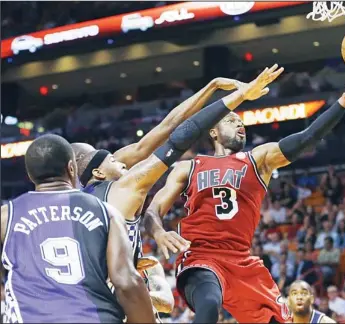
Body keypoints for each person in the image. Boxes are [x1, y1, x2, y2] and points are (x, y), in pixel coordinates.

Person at [144, 67, 345, 323]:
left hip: (242, 262)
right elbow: (152, 210)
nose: (239, 125)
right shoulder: (188, 166)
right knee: (209, 306)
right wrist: (158, 232)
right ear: (213, 132)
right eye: (231, 121)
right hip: (200, 257)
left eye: (241, 122)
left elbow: (307, 138)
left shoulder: (258, 159)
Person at [72, 68, 281, 312]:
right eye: (111, 158)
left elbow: (167, 127)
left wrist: (212, 86)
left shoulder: (82, 198)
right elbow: (175, 136)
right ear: (95, 171)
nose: (121, 159)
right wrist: (234, 95)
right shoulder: (119, 188)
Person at [0, 134, 156, 323]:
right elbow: (126, 282)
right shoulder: (106, 212)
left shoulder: (6, 216)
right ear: (72, 168)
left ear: (30, 175)